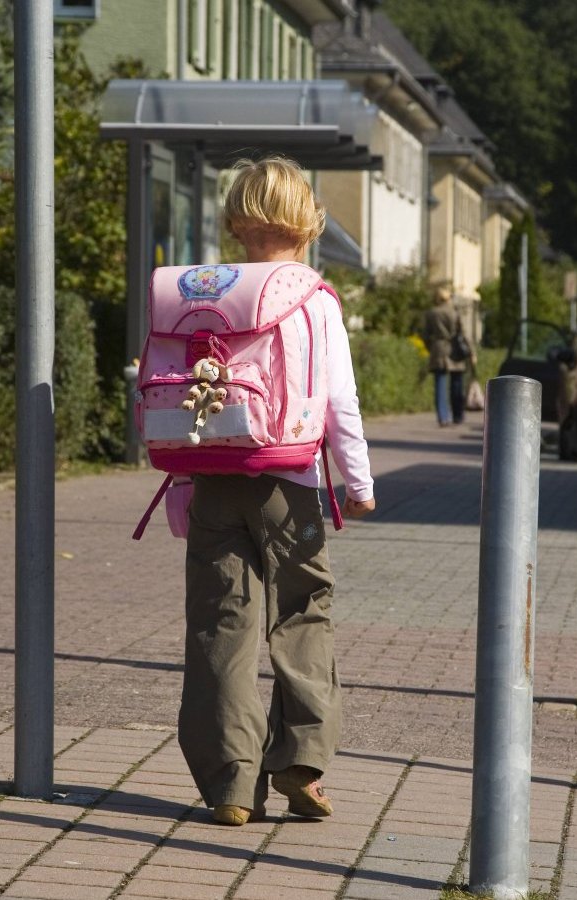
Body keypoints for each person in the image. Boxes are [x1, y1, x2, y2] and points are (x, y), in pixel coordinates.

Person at [179, 156, 375, 827]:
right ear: (307, 220)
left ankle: (230, 783)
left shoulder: (203, 292)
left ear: (237, 218)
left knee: (221, 624)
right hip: (289, 481)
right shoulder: (314, 299)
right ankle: (298, 759)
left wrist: (183, 485)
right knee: (302, 612)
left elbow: (187, 395)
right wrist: (358, 482)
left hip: (213, 475)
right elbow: (339, 402)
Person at [423, 283, 474, 426]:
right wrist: (471, 352)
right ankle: (458, 415)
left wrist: (430, 347)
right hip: (454, 349)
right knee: (457, 384)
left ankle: (443, 416)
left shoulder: (432, 313)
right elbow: (464, 334)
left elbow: (426, 335)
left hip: (438, 348)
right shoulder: (455, 313)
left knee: (440, 384)